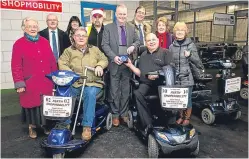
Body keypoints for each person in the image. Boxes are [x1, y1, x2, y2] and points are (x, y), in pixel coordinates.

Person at [58, 27, 108, 141]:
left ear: (87, 38)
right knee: (65, 93)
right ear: (74, 38)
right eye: (78, 35)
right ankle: (65, 124)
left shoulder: (94, 50)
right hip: (75, 83)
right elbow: (61, 63)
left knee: (89, 93)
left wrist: (99, 65)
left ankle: (87, 127)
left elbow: (104, 59)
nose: (81, 37)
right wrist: (70, 72)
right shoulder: (68, 51)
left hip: (93, 83)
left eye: (83, 36)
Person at [11, 17, 57, 139]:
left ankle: (45, 125)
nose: (33, 28)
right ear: (24, 28)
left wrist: (55, 77)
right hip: (30, 81)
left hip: (46, 80)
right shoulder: (19, 44)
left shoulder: (44, 41)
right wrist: (19, 83)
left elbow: (52, 61)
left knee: (45, 104)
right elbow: (16, 65)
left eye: (35, 26)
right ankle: (32, 126)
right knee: (32, 106)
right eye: (29, 26)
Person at [124, 33, 173, 134]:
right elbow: (140, 73)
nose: (151, 42)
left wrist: (158, 74)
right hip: (146, 83)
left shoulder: (166, 52)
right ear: (146, 43)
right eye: (149, 40)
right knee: (137, 94)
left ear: (158, 41)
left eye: (153, 40)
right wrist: (130, 65)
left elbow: (171, 69)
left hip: (162, 83)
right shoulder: (143, 55)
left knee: (165, 96)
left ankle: (166, 123)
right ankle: (148, 124)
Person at [101, 4, 140, 127]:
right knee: (114, 91)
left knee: (125, 90)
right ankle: (115, 115)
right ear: (116, 14)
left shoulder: (132, 27)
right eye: (120, 14)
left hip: (127, 64)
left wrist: (133, 46)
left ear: (126, 15)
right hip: (114, 63)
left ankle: (124, 114)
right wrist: (114, 57)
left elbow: (138, 41)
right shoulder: (108, 28)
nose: (122, 16)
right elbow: (104, 45)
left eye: (124, 14)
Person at [169, 22, 204, 126]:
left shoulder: (190, 45)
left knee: (187, 99)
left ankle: (187, 118)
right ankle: (180, 116)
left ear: (186, 32)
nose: (179, 32)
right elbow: (170, 62)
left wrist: (190, 55)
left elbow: (198, 62)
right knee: (179, 99)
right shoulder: (171, 46)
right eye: (177, 30)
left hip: (187, 77)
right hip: (176, 78)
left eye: (182, 30)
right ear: (175, 32)